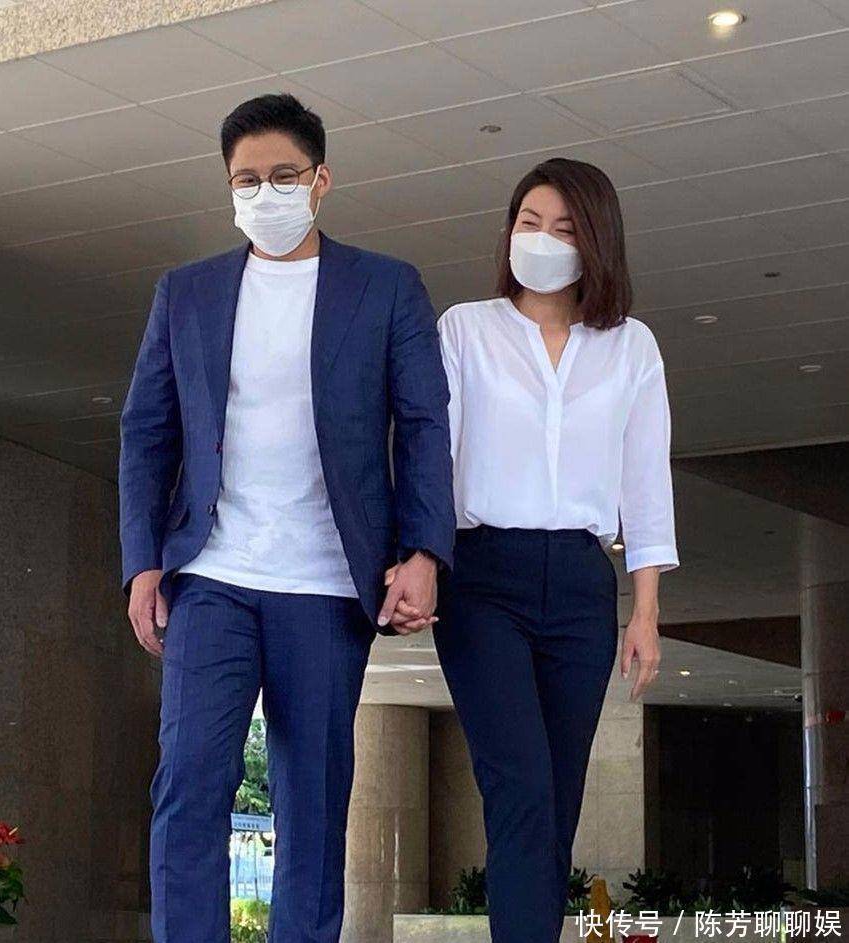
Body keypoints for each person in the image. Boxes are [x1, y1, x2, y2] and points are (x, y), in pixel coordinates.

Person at [117, 93, 455, 943]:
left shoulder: (385, 287)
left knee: (314, 798)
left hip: (324, 581)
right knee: (189, 783)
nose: (263, 193)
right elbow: (147, 432)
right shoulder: (185, 292)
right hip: (212, 576)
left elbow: (423, 424)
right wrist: (142, 562)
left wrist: (423, 550)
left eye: (282, 175)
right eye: (245, 179)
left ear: (320, 180)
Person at [412, 157, 678, 942]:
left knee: (556, 800)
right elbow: (432, 456)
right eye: (528, 221)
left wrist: (645, 611)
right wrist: (419, 556)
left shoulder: (630, 347)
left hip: (580, 586)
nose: (541, 238)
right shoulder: (465, 329)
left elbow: (645, 479)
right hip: (482, 577)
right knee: (520, 788)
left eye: (563, 227)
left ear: (596, 241)